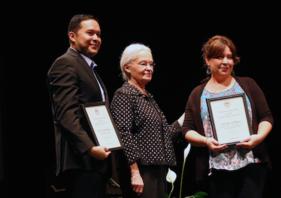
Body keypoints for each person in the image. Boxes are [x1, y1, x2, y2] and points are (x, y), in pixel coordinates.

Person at [182, 35, 273, 198]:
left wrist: (258, 138)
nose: (226, 61)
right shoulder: (197, 94)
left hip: (251, 164)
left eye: (229, 57)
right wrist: (205, 141)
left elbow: (266, 117)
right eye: (219, 56)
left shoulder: (248, 85)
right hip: (217, 169)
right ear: (207, 60)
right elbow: (187, 130)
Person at [47, 14, 111, 198]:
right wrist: (90, 148)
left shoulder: (89, 68)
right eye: (90, 33)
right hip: (80, 161)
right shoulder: (65, 64)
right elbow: (66, 115)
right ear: (72, 36)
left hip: (96, 163)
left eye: (99, 34)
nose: (96, 38)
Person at [110, 43, 184, 198]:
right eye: (143, 64)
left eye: (151, 64)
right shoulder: (124, 95)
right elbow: (124, 135)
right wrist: (135, 172)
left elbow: (164, 135)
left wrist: (187, 115)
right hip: (142, 172)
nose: (149, 68)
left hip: (157, 170)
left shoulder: (147, 97)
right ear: (127, 68)